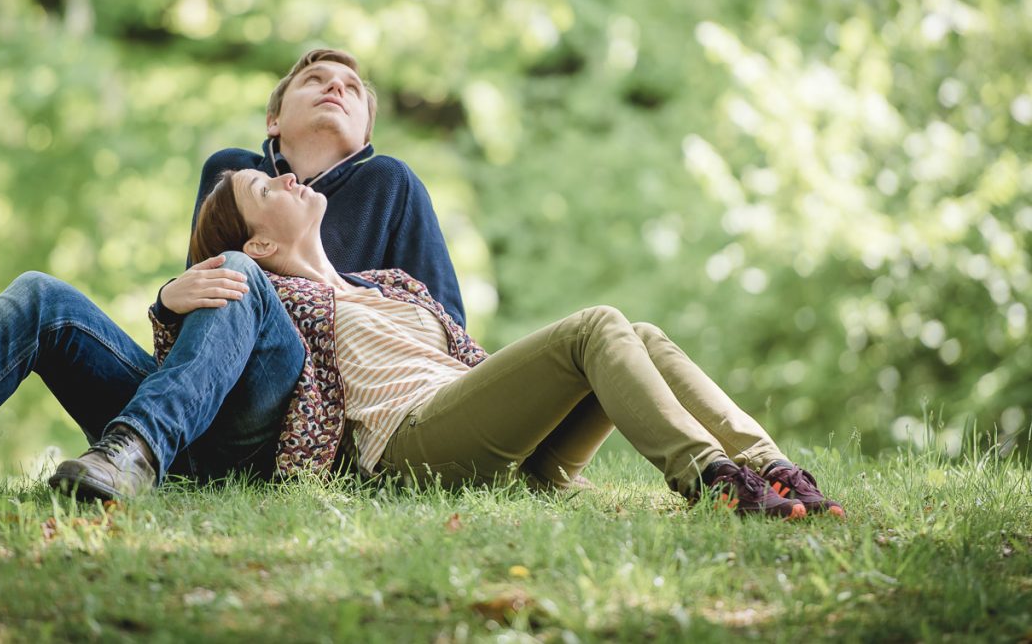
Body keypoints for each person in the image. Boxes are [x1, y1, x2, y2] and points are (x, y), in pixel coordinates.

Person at [0, 49, 462, 505]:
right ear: (274, 119)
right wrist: (169, 299)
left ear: (368, 129)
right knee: (39, 295)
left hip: (285, 418)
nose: (335, 88)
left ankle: (135, 451)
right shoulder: (232, 172)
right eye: (316, 79)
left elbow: (443, 334)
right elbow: (207, 308)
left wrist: (309, 282)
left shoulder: (390, 184)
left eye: (351, 88)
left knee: (238, 275)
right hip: (197, 408)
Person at [186, 167, 847, 518]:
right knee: (592, 324)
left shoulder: (392, 285)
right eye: (266, 188)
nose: (290, 180)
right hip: (414, 446)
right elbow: (201, 354)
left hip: (493, 443)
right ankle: (713, 479)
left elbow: (477, 368)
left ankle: (775, 471)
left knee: (635, 335)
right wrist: (168, 302)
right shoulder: (280, 303)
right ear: (260, 245)